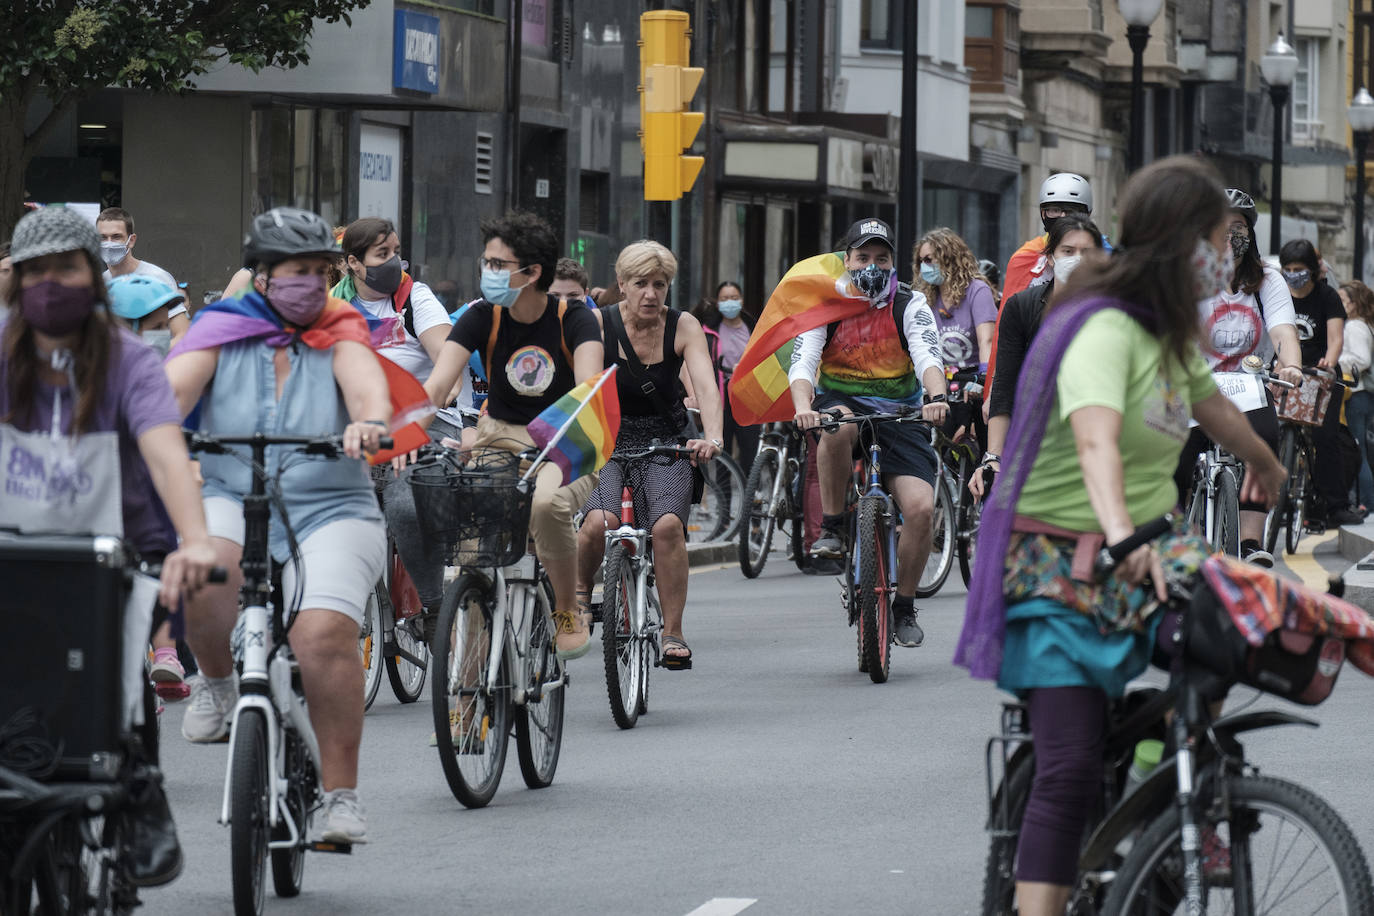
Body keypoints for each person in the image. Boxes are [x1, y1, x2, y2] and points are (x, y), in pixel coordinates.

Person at [956, 156, 1285, 916]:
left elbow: (1216, 410)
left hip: (1142, 547)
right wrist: (1124, 537)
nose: (1224, 257)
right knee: (1067, 769)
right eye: (1216, 239)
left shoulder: (1168, 336)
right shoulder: (1105, 326)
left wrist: (1267, 462)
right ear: (1179, 242)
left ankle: (1148, 780)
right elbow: (1097, 441)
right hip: (1054, 566)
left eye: (1233, 242)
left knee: (1242, 631)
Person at [1, 206, 219, 886]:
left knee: (123, 683)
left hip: (118, 552)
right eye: (35, 270)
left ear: (95, 277)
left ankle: (144, 797)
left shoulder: (127, 360)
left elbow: (163, 452)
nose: (50, 283)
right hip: (15, 556)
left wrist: (195, 541)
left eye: (66, 267)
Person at [166, 206, 391, 846]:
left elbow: (366, 385)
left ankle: (340, 797)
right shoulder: (218, 328)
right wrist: (160, 435)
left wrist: (366, 422)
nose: (314, 285)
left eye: (322, 272)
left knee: (321, 636)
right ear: (262, 277)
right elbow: (166, 395)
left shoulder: (343, 327)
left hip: (333, 504)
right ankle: (216, 685)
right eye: (299, 272)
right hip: (231, 488)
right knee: (206, 569)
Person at [422, 211, 604, 660]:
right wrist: (398, 436)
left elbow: (587, 394)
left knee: (546, 504)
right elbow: (437, 387)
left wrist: (557, 440)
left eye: (498, 264)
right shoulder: (482, 317)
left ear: (532, 273)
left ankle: (566, 608)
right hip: (497, 437)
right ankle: (466, 704)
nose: (488, 272)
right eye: (487, 262)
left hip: (566, 440)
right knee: (474, 557)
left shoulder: (576, 321)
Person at [790, 217, 949, 648]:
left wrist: (937, 397)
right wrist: (804, 408)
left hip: (901, 415)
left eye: (882, 258)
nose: (872, 265)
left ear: (894, 262)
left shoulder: (910, 304)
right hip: (841, 408)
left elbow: (928, 355)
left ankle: (904, 607)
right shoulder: (824, 304)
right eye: (863, 257)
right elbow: (803, 362)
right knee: (835, 423)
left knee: (919, 509)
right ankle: (834, 526)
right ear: (847, 260)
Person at [574, 241, 724, 665]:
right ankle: (582, 594)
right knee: (597, 524)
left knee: (668, 529)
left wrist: (712, 437)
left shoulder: (684, 326)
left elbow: (708, 387)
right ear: (621, 284)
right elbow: (584, 391)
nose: (651, 294)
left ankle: (672, 632)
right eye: (640, 284)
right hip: (605, 439)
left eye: (660, 284)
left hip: (667, 443)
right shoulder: (595, 324)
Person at [331, 217, 472, 622]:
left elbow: (450, 367)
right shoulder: (332, 309)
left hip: (425, 426)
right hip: (357, 430)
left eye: (396, 251)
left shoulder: (416, 298)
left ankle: (433, 606)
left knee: (405, 506)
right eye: (382, 254)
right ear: (353, 264)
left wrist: (407, 435)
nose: (395, 262)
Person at [1175, 188, 1303, 567]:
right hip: (1194, 386)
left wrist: (1291, 365)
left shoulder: (1269, 281)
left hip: (1248, 385)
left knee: (1264, 438)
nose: (1229, 236)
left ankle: (1250, 540)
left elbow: (1283, 332)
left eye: (1238, 227)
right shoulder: (1188, 278)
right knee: (1176, 454)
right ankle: (1184, 539)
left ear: (1251, 232)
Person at [972, 217, 1104, 502]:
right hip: (1034, 440)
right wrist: (993, 456)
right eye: (1068, 251)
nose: (1078, 260)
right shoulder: (1021, 308)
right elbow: (1005, 386)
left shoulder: (1114, 312)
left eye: (1087, 253)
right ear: (1050, 258)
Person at [1277, 238, 1361, 526]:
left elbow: (1335, 339)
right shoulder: (1280, 296)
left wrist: (1328, 361)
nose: (1292, 274)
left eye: (1298, 268)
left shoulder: (1328, 297)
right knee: (1269, 432)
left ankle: (1335, 505)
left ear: (1312, 270)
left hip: (1320, 377)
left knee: (1326, 439)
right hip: (1287, 372)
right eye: (1287, 268)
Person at [914, 227, 997, 446]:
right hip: (941, 380)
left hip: (972, 381)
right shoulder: (925, 298)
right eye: (921, 261)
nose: (925, 266)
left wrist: (983, 378)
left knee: (982, 441)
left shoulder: (977, 291)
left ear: (948, 257)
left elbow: (987, 341)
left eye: (930, 259)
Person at [96, 207, 189, 338]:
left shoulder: (157, 278)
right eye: (103, 238)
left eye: (116, 237)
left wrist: (153, 356)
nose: (109, 243)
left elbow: (182, 333)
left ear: (131, 240)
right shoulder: (99, 283)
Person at [1001, 173, 1094, 300]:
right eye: (1054, 210)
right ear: (1043, 213)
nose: (1062, 217)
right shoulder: (1024, 258)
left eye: (1071, 211)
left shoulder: (1105, 255)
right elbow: (1010, 313)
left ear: (1087, 214)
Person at [697, 280, 758, 472]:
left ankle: (750, 496)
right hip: (720, 398)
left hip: (747, 397)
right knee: (722, 452)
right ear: (717, 302)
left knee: (750, 449)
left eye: (734, 298)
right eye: (724, 298)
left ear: (741, 300)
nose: (729, 302)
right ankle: (725, 502)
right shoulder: (708, 331)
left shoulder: (753, 328)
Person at [1340, 280, 1374, 514]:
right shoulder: (1364, 325)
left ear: (1353, 304)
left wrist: (1335, 361)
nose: (1339, 304)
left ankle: (1367, 503)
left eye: (1342, 300)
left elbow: (1362, 359)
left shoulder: (1354, 327)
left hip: (1357, 393)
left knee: (1357, 450)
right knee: (1360, 449)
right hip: (1361, 395)